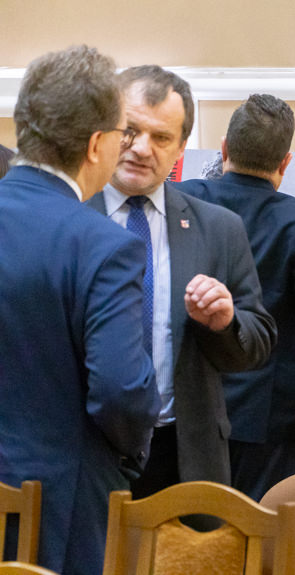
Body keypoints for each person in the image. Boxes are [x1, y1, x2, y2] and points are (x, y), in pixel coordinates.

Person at [0, 46, 160, 574]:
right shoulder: (102, 245)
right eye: (124, 133)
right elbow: (120, 388)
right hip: (56, 508)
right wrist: (130, 459)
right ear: (96, 145)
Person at [87, 65, 276, 499]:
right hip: (87, 452)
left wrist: (225, 323)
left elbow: (259, 340)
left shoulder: (218, 228)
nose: (141, 149)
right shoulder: (67, 217)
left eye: (161, 138)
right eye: (130, 131)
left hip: (187, 454)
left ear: (181, 147)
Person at [176, 94, 295, 500]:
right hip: (264, 419)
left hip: (181, 412)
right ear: (285, 163)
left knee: (177, 542)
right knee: (254, 546)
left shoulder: (178, 203)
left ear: (224, 149)